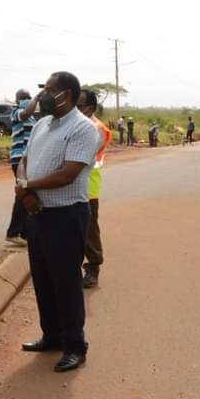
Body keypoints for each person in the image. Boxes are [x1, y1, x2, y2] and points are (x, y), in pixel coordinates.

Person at [16, 71, 100, 373]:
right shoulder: (41, 124)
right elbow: (24, 160)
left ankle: (75, 346)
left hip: (66, 215)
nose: (44, 96)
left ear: (68, 94)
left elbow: (68, 174)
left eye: (50, 90)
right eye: (43, 90)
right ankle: (51, 336)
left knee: (66, 282)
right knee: (43, 280)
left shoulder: (84, 129)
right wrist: (26, 192)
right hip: (37, 214)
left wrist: (28, 186)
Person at [77, 89, 112, 289]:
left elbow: (82, 156)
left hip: (88, 188)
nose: (74, 109)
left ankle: (93, 268)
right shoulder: (78, 125)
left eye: (78, 106)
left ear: (89, 108)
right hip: (73, 187)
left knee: (89, 231)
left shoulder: (97, 129)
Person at [5, 89, 37, 247]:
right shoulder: (16, 112)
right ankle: (13, 232)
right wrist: (37, 98)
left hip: (29, 159)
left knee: (28, 192)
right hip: (19, 159)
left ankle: (25, 233)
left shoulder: (32, 118)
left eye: (28, 97)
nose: (27, 99)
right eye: (23, 97)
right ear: (17, 101)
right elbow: (26, 112)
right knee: (22, 191)